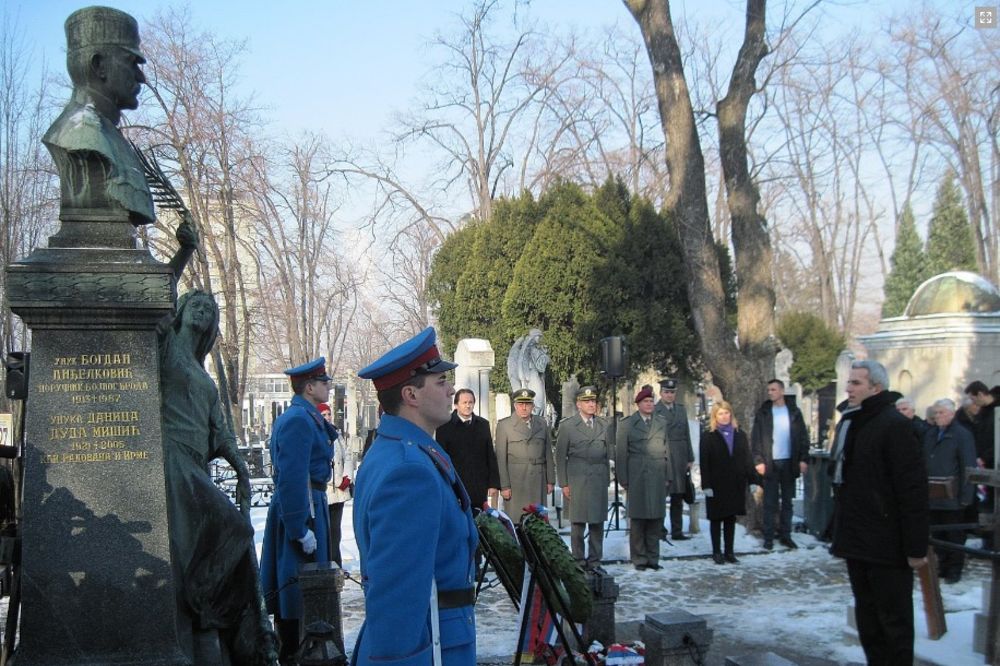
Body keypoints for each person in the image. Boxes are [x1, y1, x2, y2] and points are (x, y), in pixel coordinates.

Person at [158, 290, 272, 663]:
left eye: (209, 309)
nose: (203, 311)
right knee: (230, 529)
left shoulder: (202, 372)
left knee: (229, 536)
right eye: (196, 305)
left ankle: (221, 621)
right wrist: (184, 254)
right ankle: (206, 608)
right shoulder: (168, 347)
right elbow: (155, 297)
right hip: (172, 460)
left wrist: (240, 468)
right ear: (181, 311)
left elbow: (220, 430)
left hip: (196, 465)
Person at [353, 327, 477, 666]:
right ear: (411, 395)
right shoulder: (410, 471)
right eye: (440, 382)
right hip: (430, 645)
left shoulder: (402, 452)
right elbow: (397, 599)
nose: (452, 389)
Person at [831, 360, 929, 665]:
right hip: (858, 539)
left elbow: (912, 491)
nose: (849, 388)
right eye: (849, 382)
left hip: (888, 543)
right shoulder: (853, 422)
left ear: (876, 387)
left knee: (893, 622)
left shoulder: (895, 426)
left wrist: (915, 547)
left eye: (856, 383)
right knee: (868, 619)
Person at [43, 7, 155, 227]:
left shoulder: (109, 136)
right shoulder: (81, 136)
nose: (141, 77)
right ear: (99, 65)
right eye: (132, 62)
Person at [260, 358, 336, 664]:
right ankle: (294, 653)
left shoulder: (305, 416)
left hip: (309, 504)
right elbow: (293, 478)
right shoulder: (298, 420)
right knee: (296, 593)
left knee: (306, 592)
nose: (328, 386)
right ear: (309, 387)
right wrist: (298, 529)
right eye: (323, 382)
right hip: (302, 507)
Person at [556, 386, 612, 570]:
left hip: (597, 479)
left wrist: (607, 478)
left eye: (593, 401)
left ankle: (595, 560)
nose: (591, 404)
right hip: (576, 480)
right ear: (579, 404)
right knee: (577, 523)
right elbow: (560, 456)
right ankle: (578, 560)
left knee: (597, 523)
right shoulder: (568, 426)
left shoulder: (604, 425)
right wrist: (564, 483)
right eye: (587, 401)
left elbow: (608, 454)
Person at [615, 386, 671, 570]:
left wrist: (668, 475)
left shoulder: (661, 423)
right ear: (638, 404)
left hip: (656, 476)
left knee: (656, 518)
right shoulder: (627, 424)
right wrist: (623, 478)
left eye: (651, 401)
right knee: (638, 520)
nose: (649, 404)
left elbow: (667, 451)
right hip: (637, 475)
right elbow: (621, 454)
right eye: (645, 402)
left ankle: (653, 558)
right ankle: (639, 558)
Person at [751, 379, 810, 551]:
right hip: (770, 462)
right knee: (769, 502)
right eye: (768, 390)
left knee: (787, 502)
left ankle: (786, 535)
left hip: (789, 462)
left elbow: (802, 437)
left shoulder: (793, 412)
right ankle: (768, 537)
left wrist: (803, 459)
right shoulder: (764, 413)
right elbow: (756, 439)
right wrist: (758, 461)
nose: (770, 393)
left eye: (774, 389)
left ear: (782, 391)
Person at [923, 398, 977, 583]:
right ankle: (943, 565)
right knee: (937, 533)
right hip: (932, 493)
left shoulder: (961, 435)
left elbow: (967, 466)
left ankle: (954, 569)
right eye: (936, 413)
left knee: (954, 535)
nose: (938, 416)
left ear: (952, 414)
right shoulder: (931, 434)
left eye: (942, 413)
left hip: (952, 495)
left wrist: (966, 496)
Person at [699, 401, 756, 565]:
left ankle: (729, 552)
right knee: (716, 519)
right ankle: (717, 552)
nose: (724, 417)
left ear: (731, 414)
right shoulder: (708, 436)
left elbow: (747, 459)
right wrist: (706, 485)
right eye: (720, 414)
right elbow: (705, 462)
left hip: (735, 482)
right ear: (715, 417)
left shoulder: (740, 434)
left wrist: (752, 479)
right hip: (716, 483)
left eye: (726, 413)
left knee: (730, 519)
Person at [435, 389, 501, 512]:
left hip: (478, 485)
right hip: (456, 484)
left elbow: (490, 455)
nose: (468, 405)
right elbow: (442, 458)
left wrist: (493, 484)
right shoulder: (444, 426)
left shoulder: (483, 425)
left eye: (470, 402)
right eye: (464, 402)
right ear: (456, 405)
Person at [495, 388, 555, 520]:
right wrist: (504, 486)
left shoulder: (541, 423)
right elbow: (500, 458)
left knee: (539, 523)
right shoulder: (504, 425)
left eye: (527, 404)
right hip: (516, 482)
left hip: (538, 480)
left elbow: (548, 454)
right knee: (517, 520)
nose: (524, 408)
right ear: (515, 405)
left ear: (532, 406)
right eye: (520, 404)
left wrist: (550, 480)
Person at [654, 379, 694, 540]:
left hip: (680, 456)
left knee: (678, 496)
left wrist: (690, 457)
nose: (670, 395)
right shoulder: (656, 410)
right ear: (661, 393)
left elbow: (687, 434)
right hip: (663, 456)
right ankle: (659, 530)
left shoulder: (681, 410)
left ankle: (677, 530)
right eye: (666, 392)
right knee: (661, 496)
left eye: (672, 392)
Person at [319, 403, 353, 568]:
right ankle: (326, 564)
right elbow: (322, 462)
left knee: (336, 532)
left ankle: (336, 563)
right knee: (324, 531)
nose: (327, 417)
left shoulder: (337, 434)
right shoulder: (317, 434)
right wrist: (337, 480)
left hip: (339, 492)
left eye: (328, 414)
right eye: (323, 415)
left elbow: (347, 456)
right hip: (326, 490)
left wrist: (348, 476)